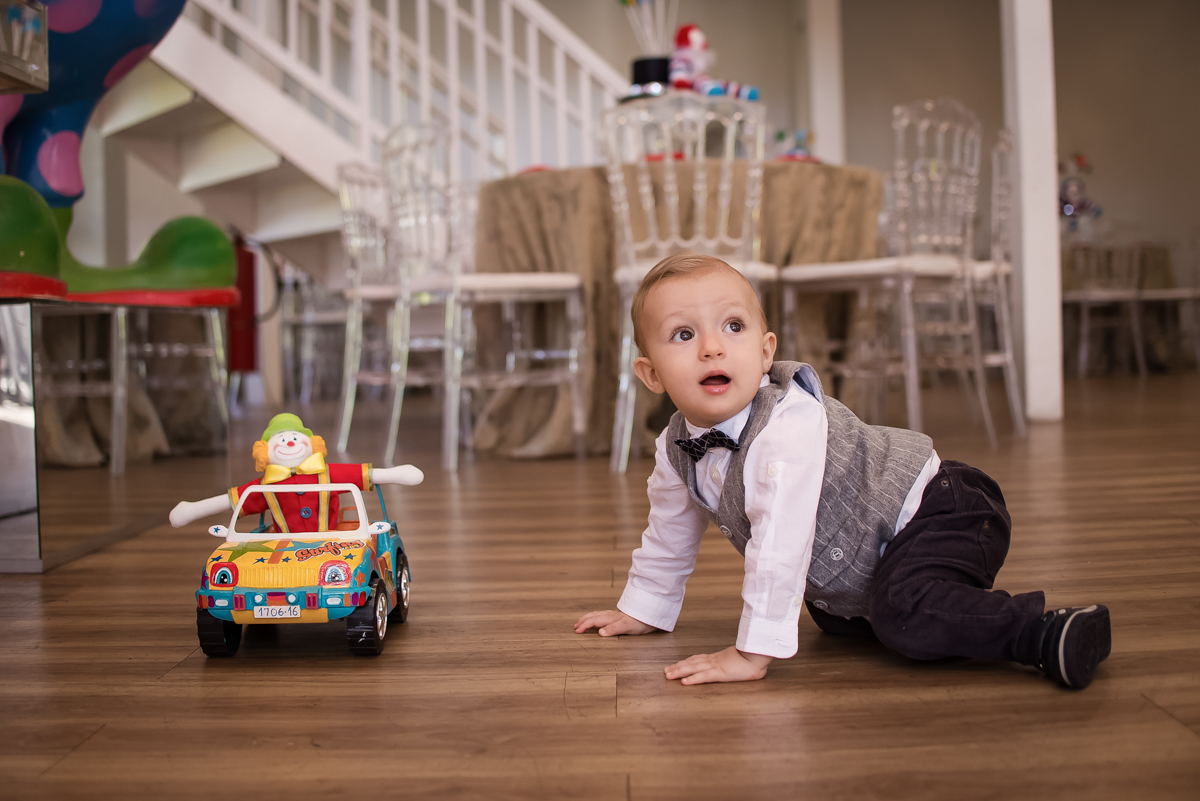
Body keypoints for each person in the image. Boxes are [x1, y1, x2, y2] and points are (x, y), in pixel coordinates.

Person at [575, 253, 1111, 689]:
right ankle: (919, 604)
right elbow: (668, 532)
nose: (713, 346)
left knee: (904, 616)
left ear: (765, 353)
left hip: (943, 510)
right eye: (683, 335)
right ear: (650, 373)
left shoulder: (786, 426)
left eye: (732, 326)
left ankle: (1045, 632)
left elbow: (781, 542)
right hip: (871, 547)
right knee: (835, 616)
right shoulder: (675, 448)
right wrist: (645, 607)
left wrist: (751, 652)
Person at [169, 413, 423, 534]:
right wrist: (192, 509)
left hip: (330, 542)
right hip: (281, 548)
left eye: (294, 438)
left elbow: (364, 475)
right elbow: (233, 501)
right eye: (281, 440)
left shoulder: (326, 474)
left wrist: (395, 474)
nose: (289, 443)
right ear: (264, 451)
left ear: (311, 443)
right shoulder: (264, 486)